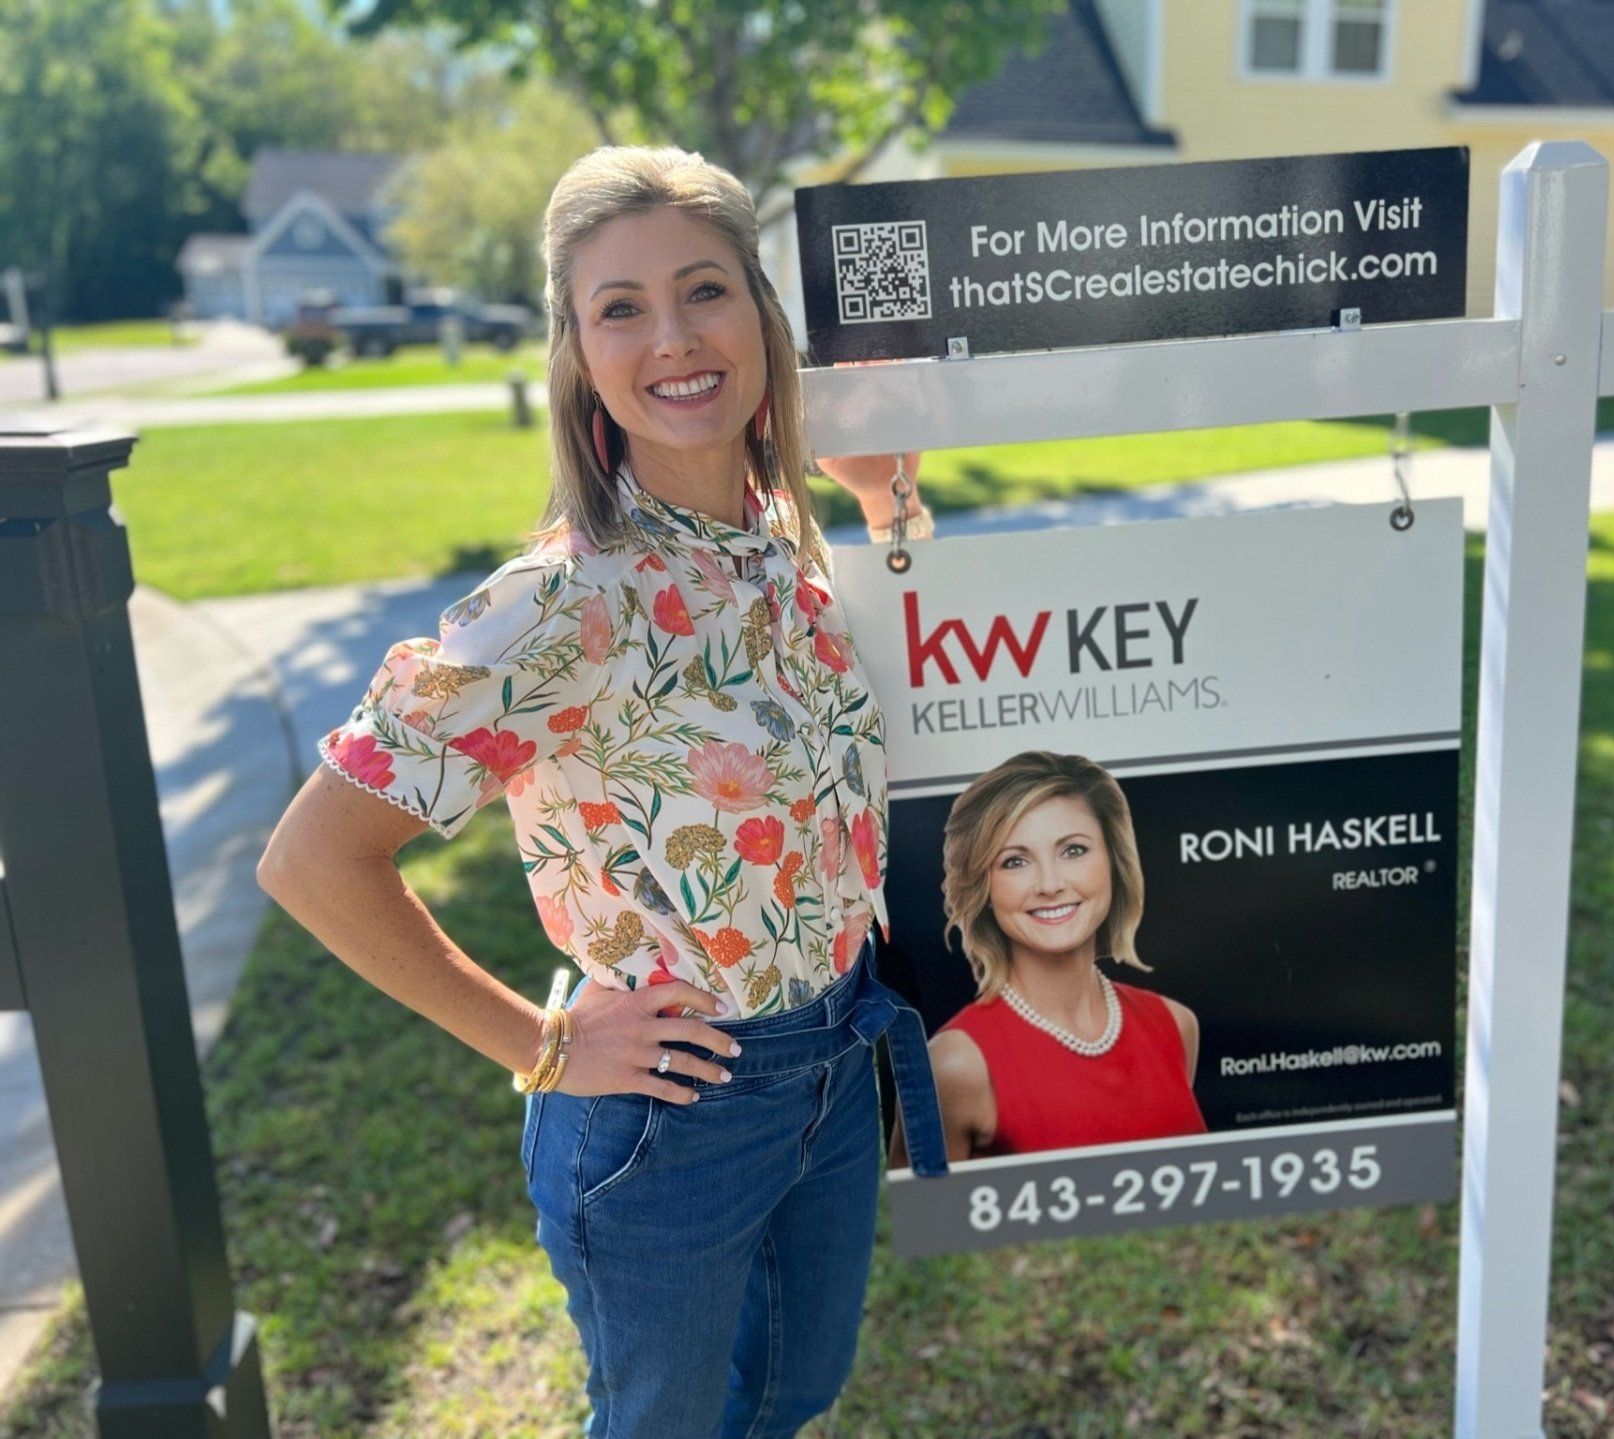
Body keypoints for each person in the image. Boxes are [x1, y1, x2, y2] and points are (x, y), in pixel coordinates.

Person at [256, 145, 949, 1439]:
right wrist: (545, 1043)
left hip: (840, 1054)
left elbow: (930, 695)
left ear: (759, 311)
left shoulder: (777, 534)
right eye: (620, 306)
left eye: (705, 289)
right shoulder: (558, 599)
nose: (674, 337)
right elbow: (310, 860)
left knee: (795, 1389)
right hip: (671, 1113)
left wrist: (884, 500)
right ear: (578, 349)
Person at [901, 751, 1206, 1165]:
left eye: (1074, 850)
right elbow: (921, 1226)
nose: (1049, 884)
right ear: (983, 888)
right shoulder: (953, 1067)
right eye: (1014, 861)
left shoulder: (1175, 1025)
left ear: (1113, 862)